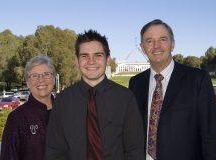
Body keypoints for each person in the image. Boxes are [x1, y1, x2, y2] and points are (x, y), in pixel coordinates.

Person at [129, 19, 216, 160]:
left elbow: (211, 136)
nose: (156, 46)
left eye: (163, 39)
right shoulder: (136, 82)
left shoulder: (197, 79)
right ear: (142, 47)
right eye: (149, 41)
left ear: (172, 44)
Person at [46, 30, 145, 160]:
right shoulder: (63, 100)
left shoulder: (126, 98)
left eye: (98, 55)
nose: (91, 61)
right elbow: (54, 150)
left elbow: (134, 150)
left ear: (108, 59)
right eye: (84, 56)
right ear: (76, 61)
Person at [0, 55, 56, 160]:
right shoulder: (16, 118)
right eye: (34, 76)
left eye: (46, 74)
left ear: (53, 78)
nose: (41, 80)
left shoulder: (66, 112)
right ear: (27, 82)